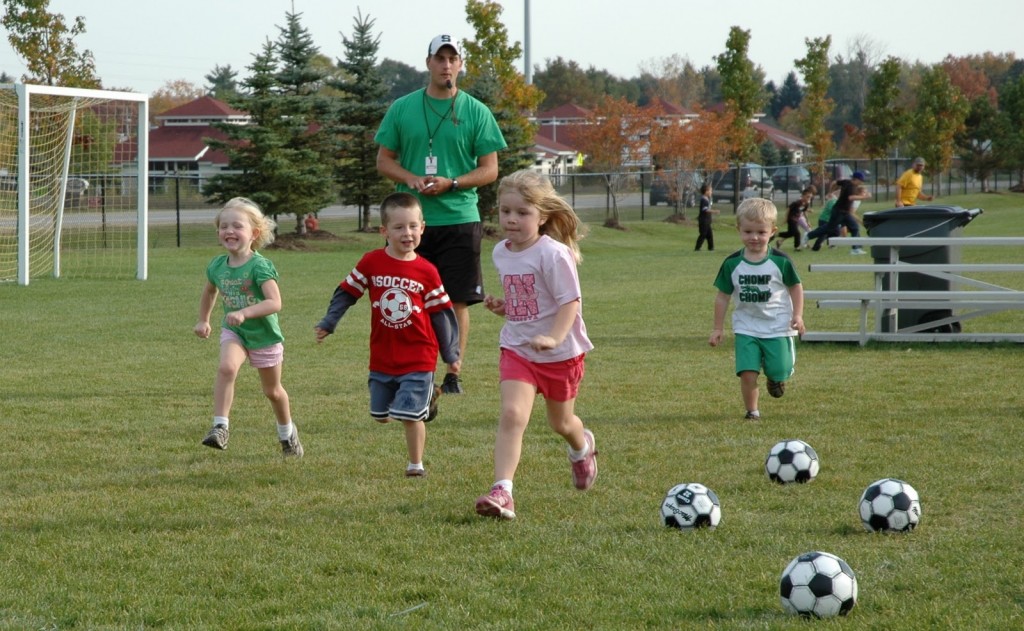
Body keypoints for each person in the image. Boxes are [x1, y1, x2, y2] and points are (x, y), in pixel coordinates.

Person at [375, 33, 507, 396]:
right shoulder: (403, 108)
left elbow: (490, 169)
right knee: (412, 300)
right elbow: (384, 160)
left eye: (452, 59)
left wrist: (453, 182)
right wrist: (411, 178)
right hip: (413, 223)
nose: (446, 65)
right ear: (428, 63)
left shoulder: (476, 111)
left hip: (460, 218)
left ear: (460, 64)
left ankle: (453, 373)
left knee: (456, 299)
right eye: (440, 58)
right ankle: (418, 370)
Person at [474, 170, 597, 520]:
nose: (511, 219)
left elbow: (569, 303)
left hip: (561, 354)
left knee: (562, 423)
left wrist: (554, 337)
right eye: (505, 211)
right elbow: (527, 303)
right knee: (512, 415)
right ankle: (503, 491)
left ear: (542, 216)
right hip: (518, 349)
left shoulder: (554, 254)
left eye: (522, 213)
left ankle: (582, 447)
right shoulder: (501, 252)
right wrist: (505, 308)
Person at [314, 192, 460, 479]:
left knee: (408, 415)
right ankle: (425, 402)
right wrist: (330, 322)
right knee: (380, 416)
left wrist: (451, 354)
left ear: (422, 228)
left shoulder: (427, 272)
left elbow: (442, 315)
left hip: (419, 354)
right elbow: (346, 292)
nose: (407, 233)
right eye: (399, 227)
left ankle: (415, 465)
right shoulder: (371, 262)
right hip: (383, 355)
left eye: (413, 226)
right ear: (384, 231)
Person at [194, 197, 303, 458]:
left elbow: (275, 302)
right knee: (226, 367)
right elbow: (210, 292)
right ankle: (220, 427)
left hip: (264, 336)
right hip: (236, 332)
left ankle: (287, 433)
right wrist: (203, 319)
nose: (229, 231)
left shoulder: (260, 266)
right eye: (224, 226)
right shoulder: (217, 265)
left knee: (272, 391)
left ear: (254, 233)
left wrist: (244, 312)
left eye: (237, 226)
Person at [709, 198, 805, 421]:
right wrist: (717, 328)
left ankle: (776, 376)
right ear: (739, 230)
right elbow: (722, 297)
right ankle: (752, 412)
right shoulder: (732, 263)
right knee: (747, 373)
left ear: (772, 231)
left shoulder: (781, 261)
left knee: (779, 368)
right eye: (748, 231)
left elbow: (796, 287)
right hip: (746, 326)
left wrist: (797, 315)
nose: (754, 237)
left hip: (778, 326)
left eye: (761, 232)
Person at [809, 180, 866, 254]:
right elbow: (851, 211)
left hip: (842, 215)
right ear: (859, 193)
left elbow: (834, 183)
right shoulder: (851, 196)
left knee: (853, 228)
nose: (865, 194)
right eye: (864, 192)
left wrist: (831, 192)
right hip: (831, 217)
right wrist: (860, 221)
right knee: (827, 232)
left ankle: (856, 247)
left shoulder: (848, 187)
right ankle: (811, 240)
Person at [775, 186, 814, 250]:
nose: (809, 198)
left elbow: (804, 212)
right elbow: (788, 209)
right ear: (803, 196)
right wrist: (785, 219)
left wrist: (807, 221)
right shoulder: (797, 202)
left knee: (791, 233)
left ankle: (777, 235)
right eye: (807, 197)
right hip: (791, 219)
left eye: (810, 197)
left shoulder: (806, 204)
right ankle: (797, 247)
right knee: (797, 233)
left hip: (796, 220)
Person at [694, 182, 718, 251]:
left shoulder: (707, 199)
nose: (711, 192)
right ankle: (697, 248)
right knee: (703, 234)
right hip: (703, 221)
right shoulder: (704, 200)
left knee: (710, 235)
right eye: (710, 191)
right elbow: (705, 210)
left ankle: (711, 248)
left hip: (707, 221)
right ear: (706, 191)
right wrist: (714, 211)